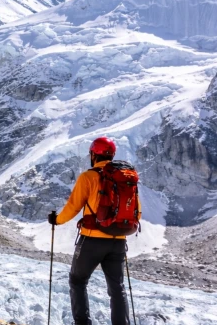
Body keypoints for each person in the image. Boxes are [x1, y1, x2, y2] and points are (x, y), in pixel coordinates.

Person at [47, 137, 141, 325]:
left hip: (92, 240)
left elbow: (73, 207)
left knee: (77, 280)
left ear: (93, 154)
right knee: (117, 288)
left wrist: (56, 220)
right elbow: (137, 212)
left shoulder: (88, 177)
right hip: (119, 240)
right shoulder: (125, 179)